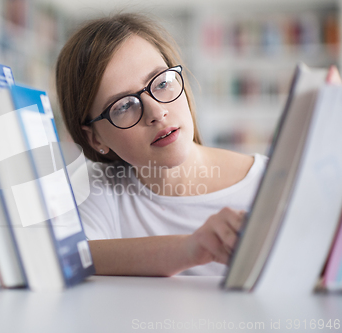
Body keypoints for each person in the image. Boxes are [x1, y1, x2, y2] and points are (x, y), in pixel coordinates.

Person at [55, 13, 341, 277]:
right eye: (124, 105)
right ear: (95, 138)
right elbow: (65, 258)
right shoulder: (99, 187)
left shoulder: (277, 183)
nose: (156, 112)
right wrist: (190, 249)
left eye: (162, 82)